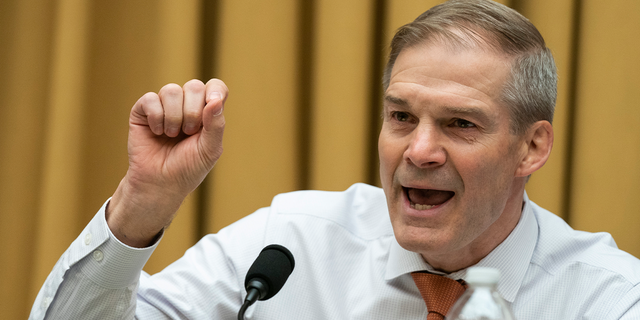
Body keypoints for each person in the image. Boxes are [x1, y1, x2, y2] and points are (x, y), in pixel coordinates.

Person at [30, 0, 640, 319]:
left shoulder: (608, 300)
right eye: (401, 116)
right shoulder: (286, 250)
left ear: (531, 147)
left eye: (460, 124)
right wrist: (144, 204)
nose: (419, 152)